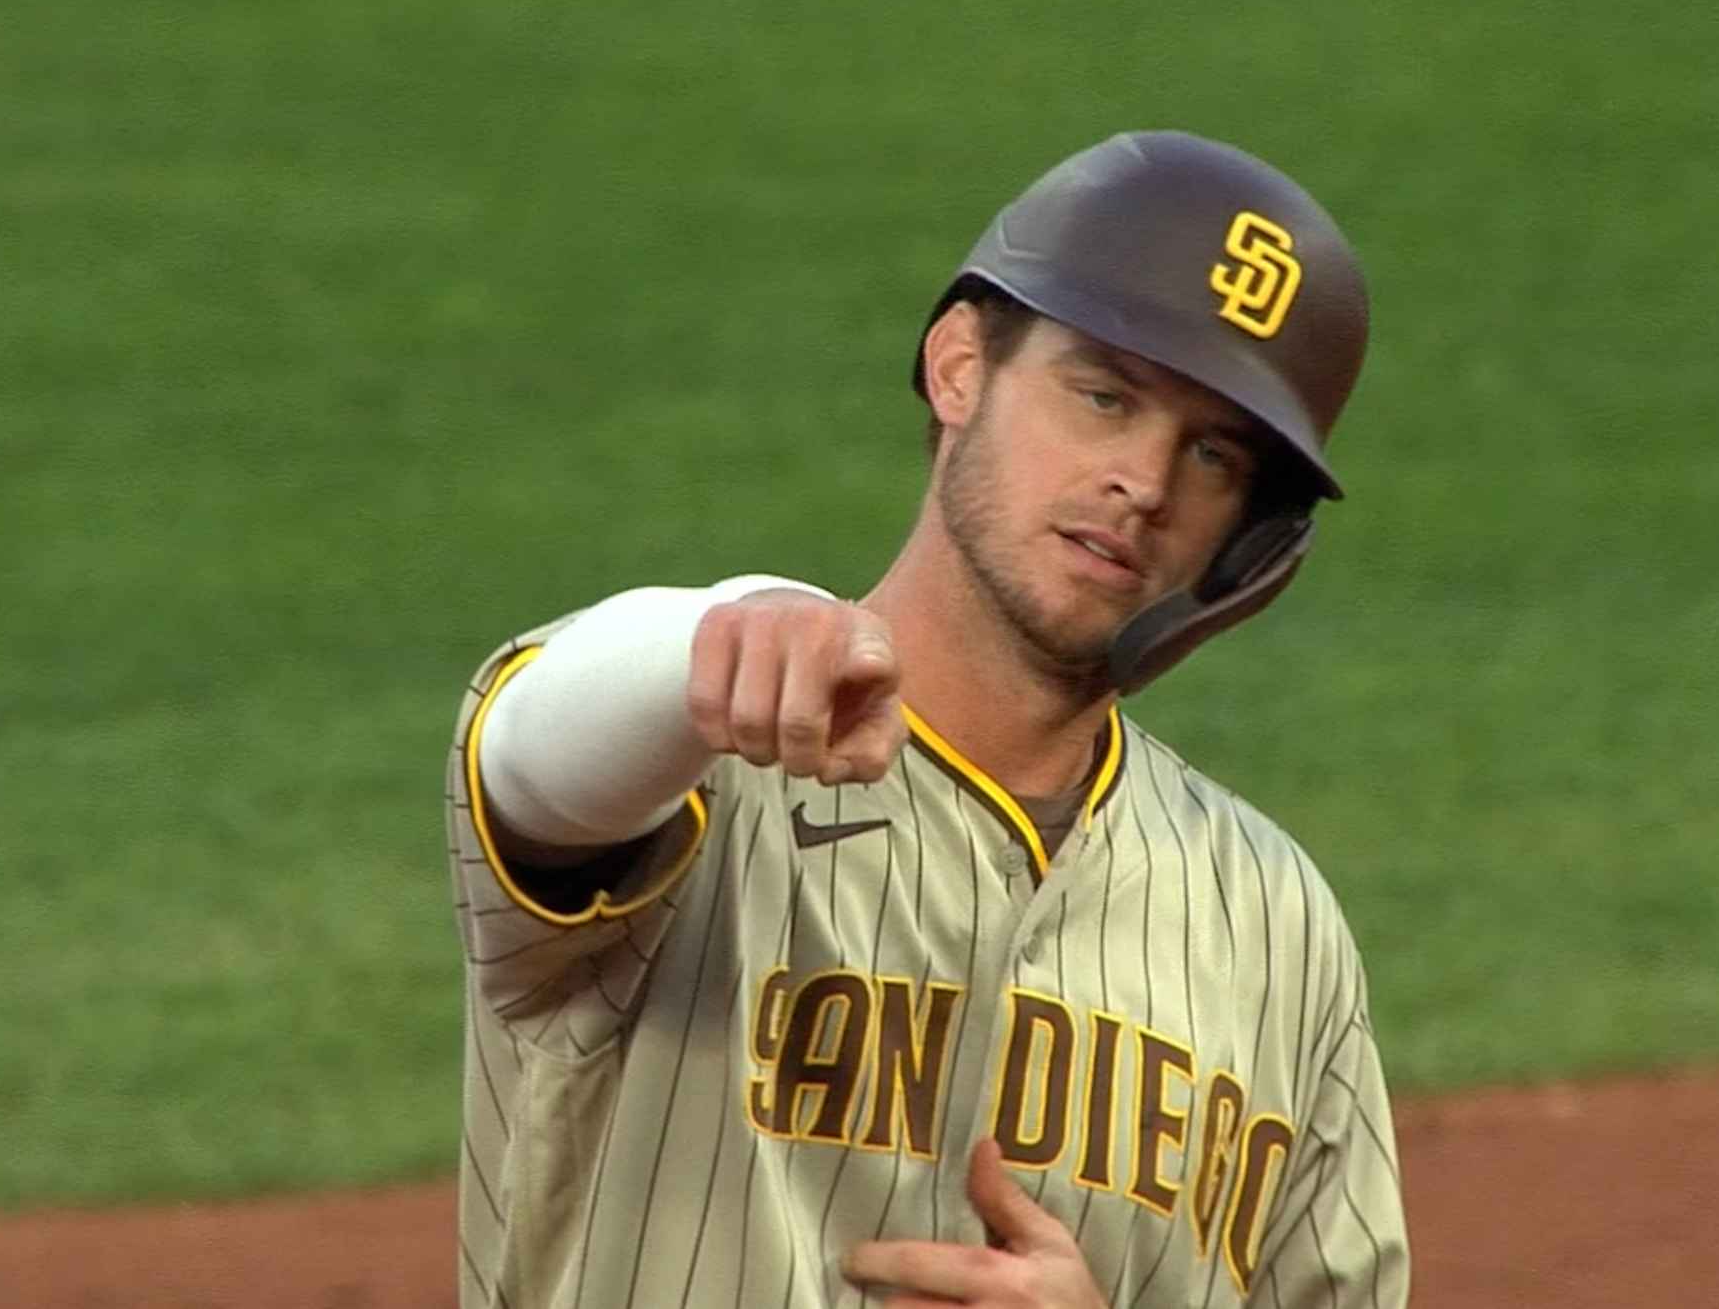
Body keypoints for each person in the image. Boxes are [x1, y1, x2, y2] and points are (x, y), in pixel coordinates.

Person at [444, 130, 1409, 1307]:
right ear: (960, 364)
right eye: (1104, 395)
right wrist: (716, 633)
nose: (1145, 484)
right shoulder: (693, 764)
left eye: (1212, 454)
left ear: (1254, 539)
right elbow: (530, 765)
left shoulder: (1279, 922)